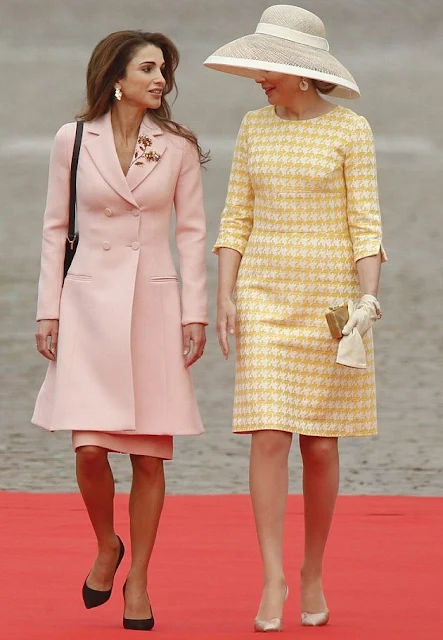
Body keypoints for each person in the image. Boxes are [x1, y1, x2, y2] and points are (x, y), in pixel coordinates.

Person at [204, 5, 386, 631]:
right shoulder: (254, 126)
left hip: (334, 303)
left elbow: (366, 224)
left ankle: (312, 569)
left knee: (321, 444)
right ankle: (273, 576)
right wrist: (225, 294)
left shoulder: (350, 131)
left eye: (267, 67)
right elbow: (235, 219)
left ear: (301, 74)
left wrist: (367, 301)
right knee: (268, 433)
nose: (258, 77)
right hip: (263, 297)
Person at [32, 30, 208, 631]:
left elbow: (191, 236)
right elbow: (56, 227)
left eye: (165, 70)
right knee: (87, 449)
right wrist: (47, 309)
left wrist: (195, 314)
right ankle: (107, 543)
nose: (162, 79)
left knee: (150, 459)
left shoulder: (178, 147)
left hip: (153, 308)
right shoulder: (72, 139)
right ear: (117, 78)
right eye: (150, 69)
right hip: (85, 304)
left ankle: (139, 580)